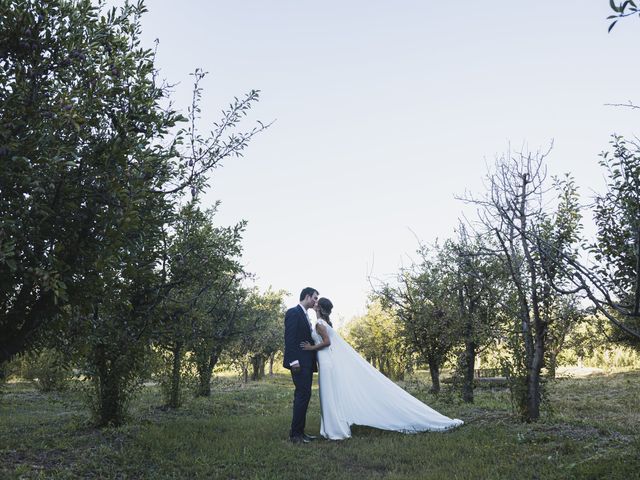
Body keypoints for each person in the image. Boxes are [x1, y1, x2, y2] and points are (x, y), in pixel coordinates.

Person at [301, 297, 463, 440]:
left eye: (316, 302)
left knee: (328, 396)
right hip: (326, 362)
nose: (314, 303)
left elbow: (327, 342)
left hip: (327, 363)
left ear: (319, 308)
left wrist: (310, 348)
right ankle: (332, 427)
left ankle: (334, 430)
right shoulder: (323, 323)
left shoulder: (320, 324)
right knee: (329, 397)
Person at [283, 287, 319, 444]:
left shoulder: (305, 315)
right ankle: (295, 435)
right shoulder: (293, 312)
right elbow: (289, 339)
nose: (316, 301)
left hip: (306, 363)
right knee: (301, 396)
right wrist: (293, 362)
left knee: (305, 396)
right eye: (315, 298)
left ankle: (300, 432)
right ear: (307, 296)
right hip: (299, 363)